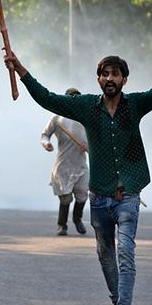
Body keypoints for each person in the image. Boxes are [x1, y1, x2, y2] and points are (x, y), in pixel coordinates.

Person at [5, 51, 152, 305]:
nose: (109, 78)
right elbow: (47, 98)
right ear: (98, 79)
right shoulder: (86, 107)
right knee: (105, 255)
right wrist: (20, 69)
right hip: (100, 196)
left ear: (124, 79)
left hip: (129, 194)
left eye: (115, 74)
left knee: (125, 252)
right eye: (105, 74)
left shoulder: (135, 105)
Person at [41, 87, 89, 236]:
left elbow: (97, 138)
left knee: (82, 194)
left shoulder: (86, 117)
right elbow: (44, 135)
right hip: (64, 165)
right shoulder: (57, 118)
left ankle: (77, 218)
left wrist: (88, 145)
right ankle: (62, 225)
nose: (73, 101)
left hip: (81, 165)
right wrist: (46, 144)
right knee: (65, 198)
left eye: (76, 98)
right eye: (70, 98)